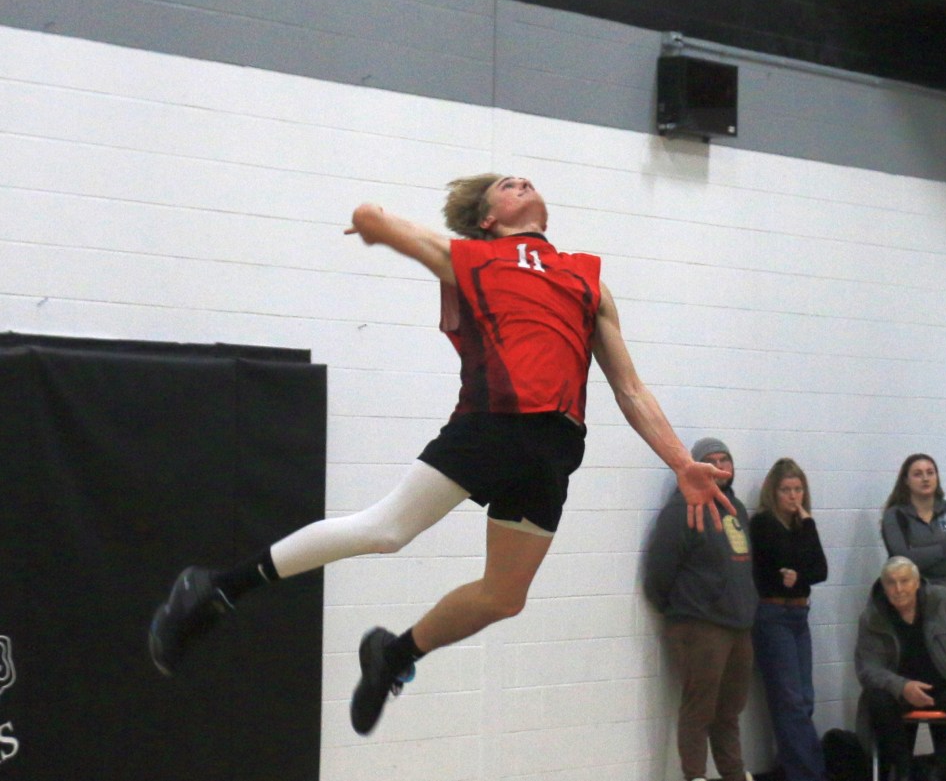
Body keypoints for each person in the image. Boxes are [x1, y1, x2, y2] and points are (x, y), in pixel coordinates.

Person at [147, 174, 734, 736]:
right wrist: (370, 220)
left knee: (504, 597)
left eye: (525, 180)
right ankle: (216, 588)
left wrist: (680, 460)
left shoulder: (588, 279)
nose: (520, 183)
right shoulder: (470, 258)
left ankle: (393, 654)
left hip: (555, 447)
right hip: (491, 425)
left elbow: (629, 388)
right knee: (384, 531)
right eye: (506, 184)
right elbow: (373, 220)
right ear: (487, 218)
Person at [643, 437, 757, 781]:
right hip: (700, 624)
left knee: (729, 712)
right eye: (712, 460)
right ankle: (694, 775)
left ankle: (733, 774)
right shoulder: (681, 509)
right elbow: (658, 572)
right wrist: (684, 612)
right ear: (697, 468)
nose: (721, 467)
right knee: (699, 710)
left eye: (726, 460)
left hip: (739, 625)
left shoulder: (736, 508)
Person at [855, 556, 946, 781]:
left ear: (917, 582)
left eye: (905, 581)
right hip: (898, 693)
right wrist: (902, 686)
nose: (898, 588)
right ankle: (904, 771)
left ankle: (940, 771)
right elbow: (868, 669)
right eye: (891, 582)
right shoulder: (872, 616)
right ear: (883, 585)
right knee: (876, 700)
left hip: (945, 684)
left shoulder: (942, 599)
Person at [749, 458, 828, 781]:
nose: (793, 497)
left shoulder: (802, 526)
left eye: (798, 489)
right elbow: (780, 565)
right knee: (790, 701)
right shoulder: (764, 524)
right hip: (773, 614)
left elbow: (819, 571)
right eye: (786, 490)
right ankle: (810, 774)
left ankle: (792, 767)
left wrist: (808, 527)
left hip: (799, 612)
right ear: (773, 491)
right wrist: (798, 570)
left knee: (804, 698)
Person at [881, 454, 946, 598]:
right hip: (911, 596)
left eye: (930, 473)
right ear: (906, 480)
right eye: (918, 474)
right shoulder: (895, 515)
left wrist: (922, 564)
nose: (925, 479)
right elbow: (903, 559)